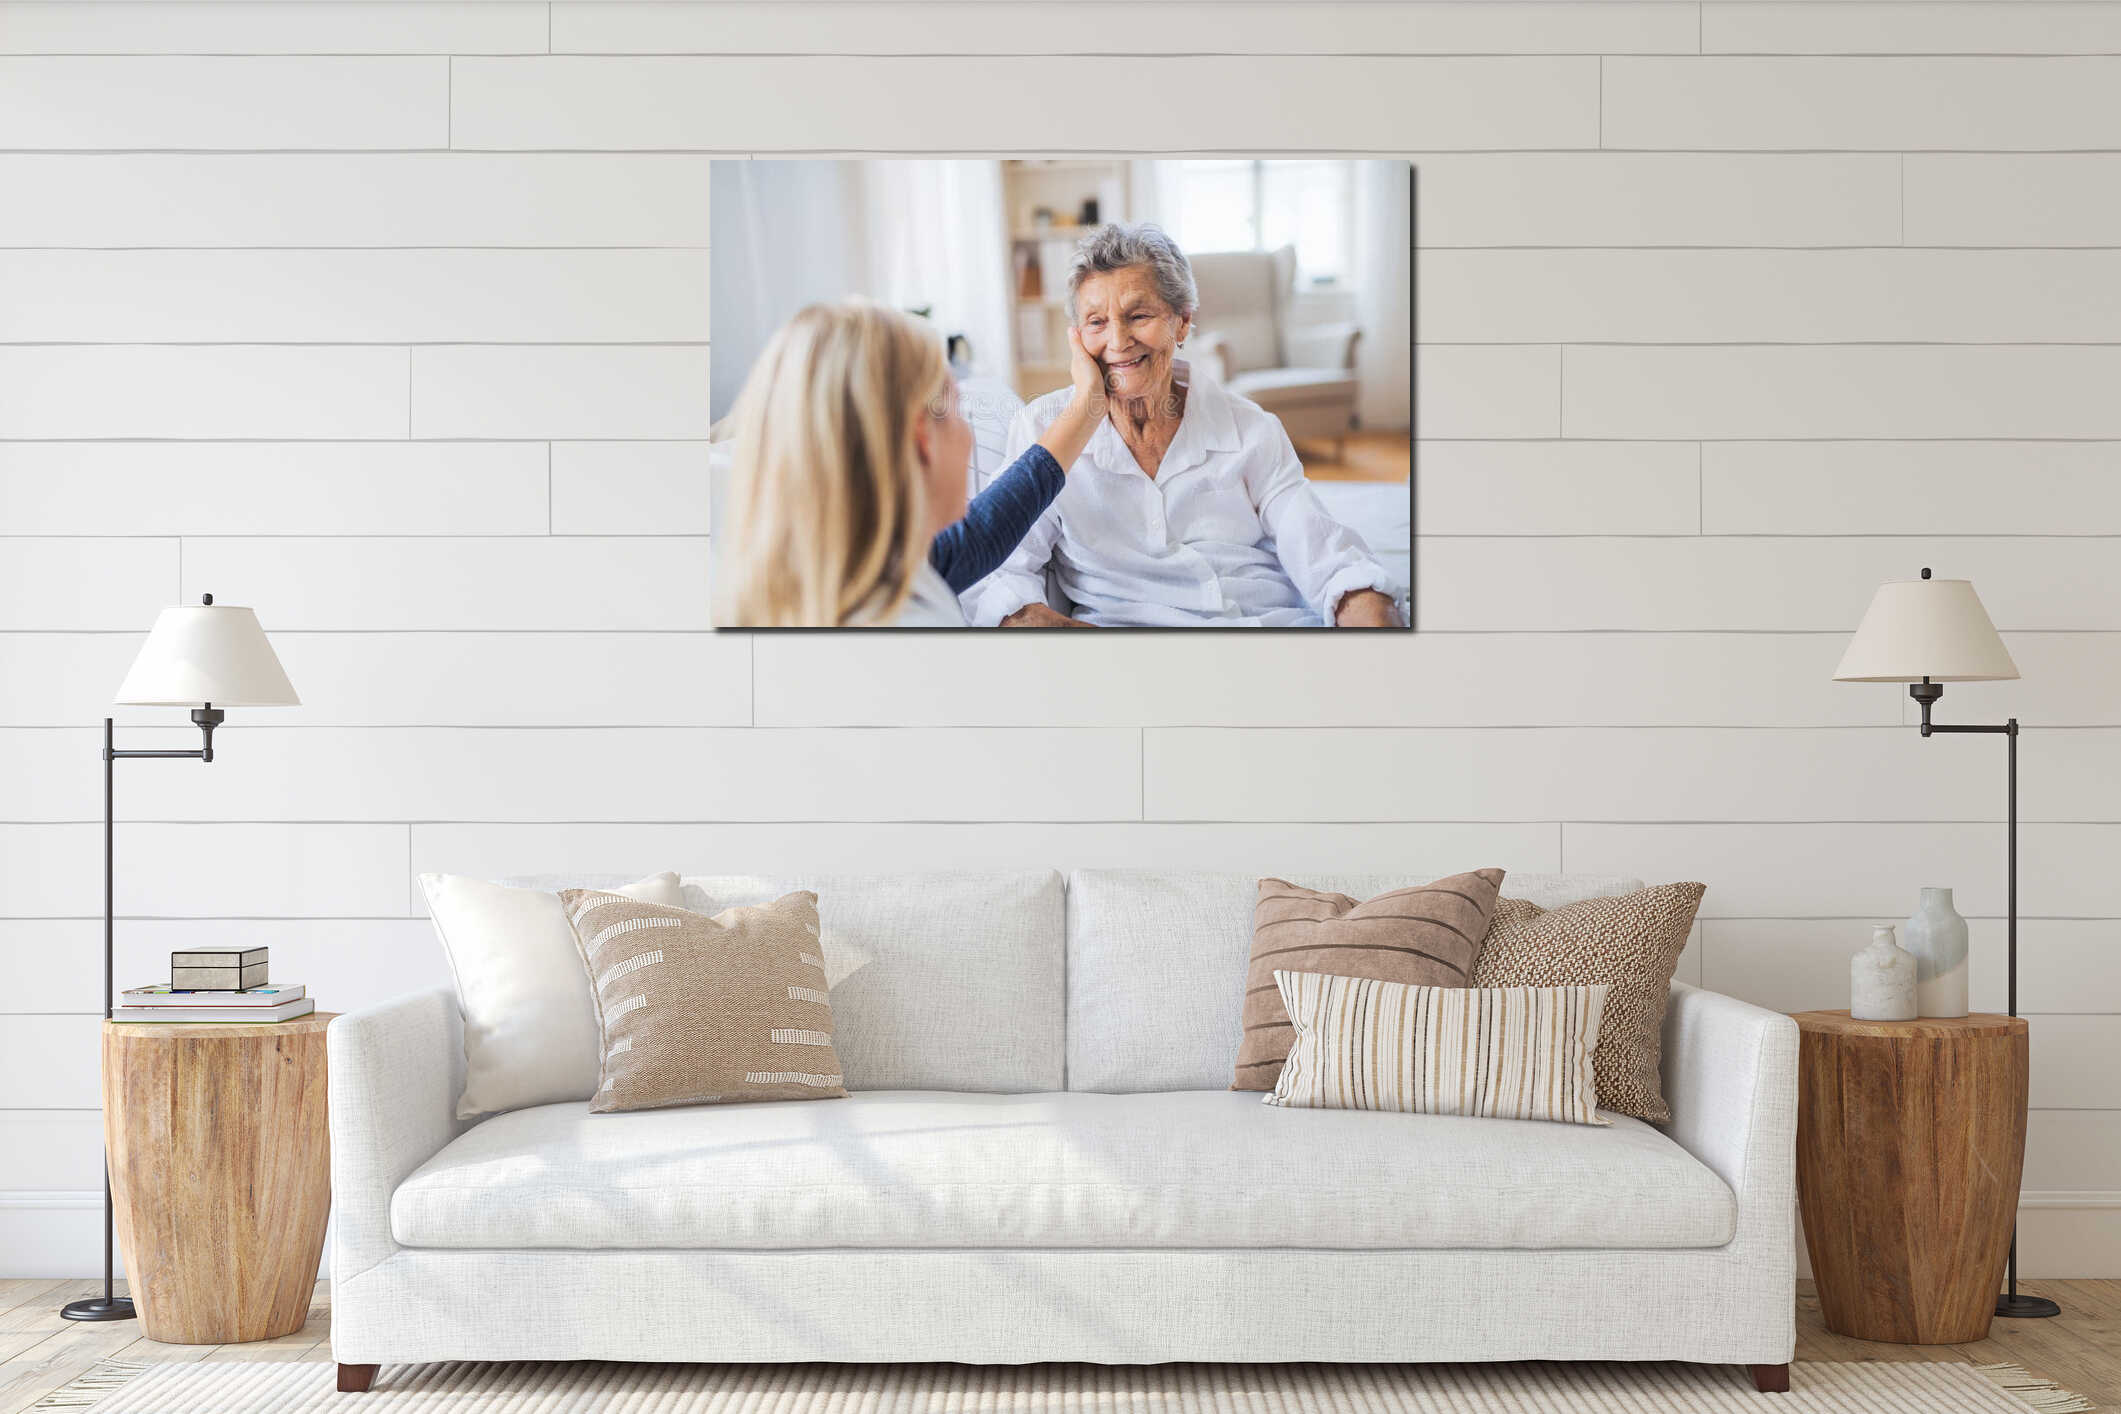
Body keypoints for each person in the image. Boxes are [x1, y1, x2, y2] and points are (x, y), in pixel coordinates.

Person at [961, 223, 1401, 629]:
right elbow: (1001, 575)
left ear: (1183, 321)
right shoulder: (1042, 428)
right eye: (1096, 322)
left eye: (1138, 316)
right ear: (1076, 337)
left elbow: (1331, 560)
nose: (1117, 342)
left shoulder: (1251, 429)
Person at [717, 301, 1104, 627]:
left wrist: (1087, 405)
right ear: (922, 437)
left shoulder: (844, 569)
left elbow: (980, 535)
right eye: (958, 412)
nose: (969, 434)